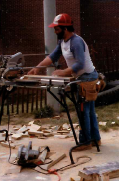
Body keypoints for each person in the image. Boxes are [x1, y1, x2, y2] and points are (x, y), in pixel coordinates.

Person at [28, 13, 101, 151]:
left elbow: (79, 63)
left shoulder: (76, 42)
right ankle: (95, 139)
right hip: (83, 77)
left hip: (87, 78)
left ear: (65, 28)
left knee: (83, 111)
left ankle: (85, 142)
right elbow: (52, 56)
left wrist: (63, 72)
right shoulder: (62, 42)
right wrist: (37, 68)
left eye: (57, 29)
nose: (55, 31)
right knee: (89, 110)